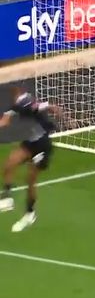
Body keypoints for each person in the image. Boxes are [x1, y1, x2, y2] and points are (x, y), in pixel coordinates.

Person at [0, 87, 62, 232]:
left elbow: (40, 106)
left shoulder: (26, 101)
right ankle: (7, 198)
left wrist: (53, 108)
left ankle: (29, 213)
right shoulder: (15, 106)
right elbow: (4, 121)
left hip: (43, 145)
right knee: (10, 163)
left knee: (30, 179)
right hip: (30, 142)